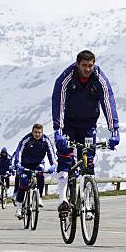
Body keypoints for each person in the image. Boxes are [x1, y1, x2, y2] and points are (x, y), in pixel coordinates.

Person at [52, 50, 120, 212]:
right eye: (84, 65)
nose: (87, 69)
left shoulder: (99, 78)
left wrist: (114, 130)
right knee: (65, 157)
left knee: (88, 160)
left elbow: (108, 101)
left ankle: (88, 202)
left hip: (89, 124)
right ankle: (63, 199)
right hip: (68, 123)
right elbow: (59, 103)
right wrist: (58, 130)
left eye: (90, 65)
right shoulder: (66, 78)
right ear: (77, 64)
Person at [13, 124, 56, 218]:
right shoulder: (27, 139)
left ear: (42, 132)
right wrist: (18, 163)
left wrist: (53, 165)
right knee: (23, 184)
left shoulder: (46, 140)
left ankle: (39, 197)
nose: (37, 134)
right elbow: (19, 151)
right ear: (32, 132)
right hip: (25, 165)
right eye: (35, 132)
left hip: (38, 163)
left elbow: (51, 153)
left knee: (41, 174)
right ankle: (19, 207)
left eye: (39, 132)